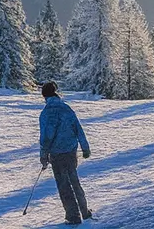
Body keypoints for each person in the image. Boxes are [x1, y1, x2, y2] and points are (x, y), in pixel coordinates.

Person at [38, 81, 93, 225]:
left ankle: (73, 216)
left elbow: (46, 136)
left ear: (44, 96)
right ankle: (85, 211)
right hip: (71, 151)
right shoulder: (67, 108)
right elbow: (78, 128)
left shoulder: (47, 112)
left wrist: (44, 155)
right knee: (74, 181)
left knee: (64, 185)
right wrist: (85, 147)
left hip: (57, 154)